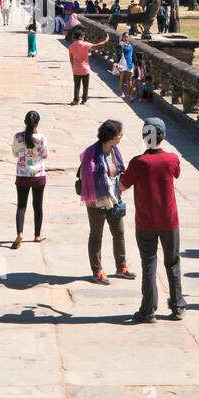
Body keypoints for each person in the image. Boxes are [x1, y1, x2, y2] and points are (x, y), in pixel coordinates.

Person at [121, 116, 184, 322]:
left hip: (145, 222)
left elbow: (122, 186)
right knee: (172, 263)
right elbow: (176, 174)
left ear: (143, 136)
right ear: (163, 137)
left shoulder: (138, 163)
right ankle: (177, 307)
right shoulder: (172, 159)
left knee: (149, 264)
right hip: (169, 220)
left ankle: (148, 310)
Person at [78, 119, 135, 284]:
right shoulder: (91, 153)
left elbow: (119, 169)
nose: (121, 137)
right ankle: (97, 271)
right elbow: (86, 176)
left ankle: (121, 266)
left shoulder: (114, 150)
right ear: (110, 136)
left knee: (119, 232)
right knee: (96, 235)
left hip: (114, 198)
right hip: (96, 200)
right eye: (119, 134)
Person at [11, 109, 48, 248]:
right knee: (38, 206)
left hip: (22, 174)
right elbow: (45, 155)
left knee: (21, 206)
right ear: (37, 123)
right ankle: (37, 235)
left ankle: (20, 233)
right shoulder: (41, 138)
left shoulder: (18, 137)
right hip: (38, 175)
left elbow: (15, 153)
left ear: (25, 122)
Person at [67, 27, 109, 105]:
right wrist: (105, 40)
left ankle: (76, 100)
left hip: (76, 68)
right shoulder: (85, 44)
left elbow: (71, 58)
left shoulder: (71, 46)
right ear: (80, 37)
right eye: (82, 36)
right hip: (85, 69)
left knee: (77, 85)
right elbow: (97, 45)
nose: (83, 37)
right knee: (85, 85)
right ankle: (84, 100)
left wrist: (73, 66)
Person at [117, 34, 134, 102]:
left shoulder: (130, 45)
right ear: (123, 37)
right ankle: (121, 93)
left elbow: (132, 54)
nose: (126, 38)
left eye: (127, 37)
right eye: (125, 37)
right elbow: (118, 52)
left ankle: (129, 95)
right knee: (122, 78)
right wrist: (120, 51)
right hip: (123, 63)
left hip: (129, 63)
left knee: (129, 80)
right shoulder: (121, 44)